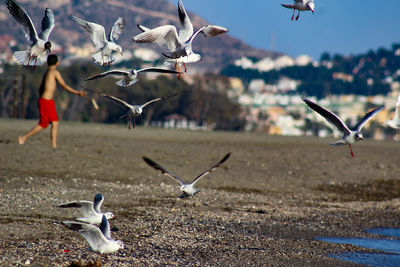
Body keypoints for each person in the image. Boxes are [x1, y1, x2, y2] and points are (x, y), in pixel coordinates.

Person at [18, 54, 87, 148]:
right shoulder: (54, 72)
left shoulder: (47, 72)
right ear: (57, 63)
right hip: (46, 101)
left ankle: (53, 145)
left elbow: (41, 88)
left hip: (48, 101)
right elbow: (64, 85)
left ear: (47, 63)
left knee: (54, 122)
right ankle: (24, 138)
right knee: (43, 124)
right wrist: (77, 93)